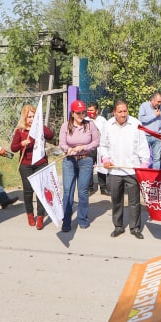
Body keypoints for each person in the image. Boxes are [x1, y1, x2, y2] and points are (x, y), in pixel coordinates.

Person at [98, 100, 149, 239]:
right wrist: (106, 159)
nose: (123, 114)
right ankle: (118, 226)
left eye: (125, 111)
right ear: (114, 112)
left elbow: (143, 145)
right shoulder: (108, 125)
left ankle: (135, 228)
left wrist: (144, 163)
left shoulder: (136, 124)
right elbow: (103, 145)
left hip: (132, 169)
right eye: (120, 112)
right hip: (115, 170)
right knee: (116, 200)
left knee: (134, 201)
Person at [10, 104, 55, 230]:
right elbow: (13, 148)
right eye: (29, 117)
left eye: (34, 116)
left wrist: (40, 126)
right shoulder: (20, 131)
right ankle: (30, 214)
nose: (31, 119)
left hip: (40, 162)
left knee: (41, 190)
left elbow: (51, 136)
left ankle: (40, 216)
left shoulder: (40, 128)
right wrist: (21, 144)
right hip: (26, 164)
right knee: (28, 190)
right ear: (24, 118)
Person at [58, 100, 99, 233]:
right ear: (73, 113)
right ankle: (66, 221)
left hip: (86, 159)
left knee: (83, 191)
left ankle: (82, 219)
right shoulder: (65, 125)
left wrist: (84, 147)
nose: (81, 115)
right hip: (69, 160)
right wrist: (67, 149)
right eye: (78, 113)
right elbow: (62, 143)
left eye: (83, 112)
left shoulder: (90, 124)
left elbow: (96, 141)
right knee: (68, 191)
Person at [137, 92, 161, 169]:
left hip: (157, 136)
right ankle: (143, 175)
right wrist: (154, 115)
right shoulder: (144, 106)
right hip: (146, 136)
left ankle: (155, 177)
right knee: (144, 157)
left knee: (157, 158)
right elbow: (141, 119)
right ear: (152, 100)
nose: (159, 104)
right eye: (158, 101)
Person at [86, 100, 108, 196]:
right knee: (89, 167)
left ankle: (103, 188)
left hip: (100, 147)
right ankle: (90, 188)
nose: (90, 112)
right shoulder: (85, 120)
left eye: (92, 110)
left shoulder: (102, 120)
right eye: (88, 110)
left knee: (101, 167)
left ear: (97, 111)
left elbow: (106, 133)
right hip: (90, 147)